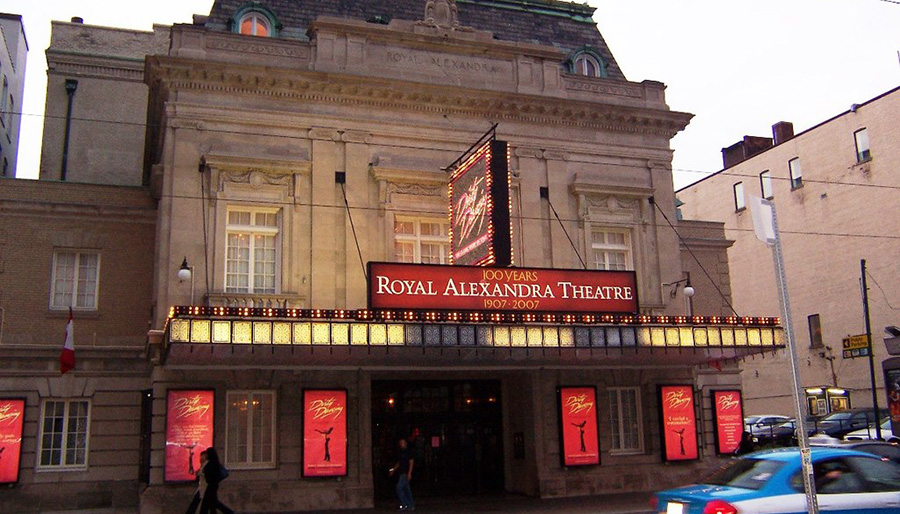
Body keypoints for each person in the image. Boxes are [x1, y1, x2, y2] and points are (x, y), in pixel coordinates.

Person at [197, 447, 235, 514]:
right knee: (213, 503)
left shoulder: (209, 464)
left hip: (209, 486)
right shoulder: (215, 463)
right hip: (214, 485)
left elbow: (208, 476)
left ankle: (229, 512)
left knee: (207, 503)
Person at [389, 438, 415, 511]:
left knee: (399, 488)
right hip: (402, 472)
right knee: (406, 489)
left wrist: (409, 473)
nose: (401, 444)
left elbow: (411, 462)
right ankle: (410, 505)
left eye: (402, 442)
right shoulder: (400, 452)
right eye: (400, 443)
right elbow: (399, 463)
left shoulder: (408, 452)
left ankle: (405, 504)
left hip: (405, 473)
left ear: (406, 443)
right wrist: (393, 470)